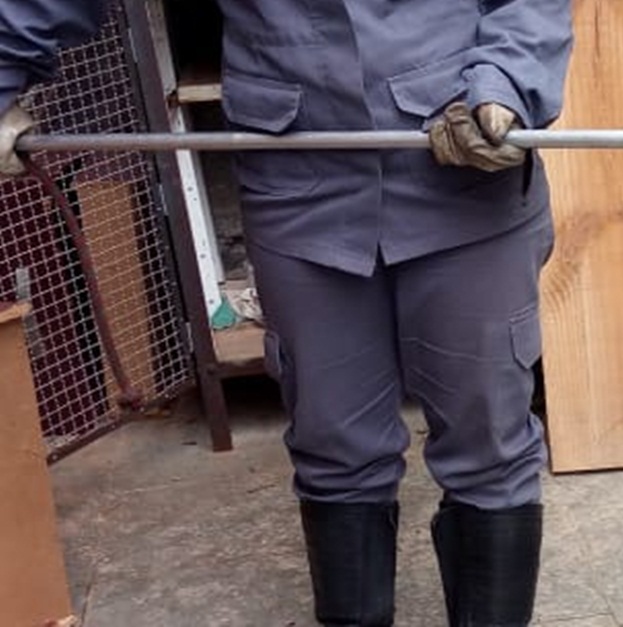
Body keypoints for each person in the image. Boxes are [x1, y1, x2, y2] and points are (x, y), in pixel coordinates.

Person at [0, 1, 574, 625]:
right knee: (334, 441)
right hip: (300, 176)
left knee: (487, 435)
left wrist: (508, 82)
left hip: (461, 158)